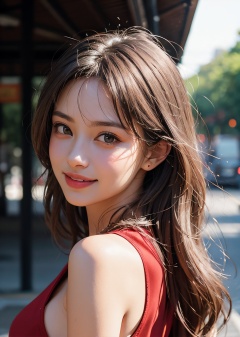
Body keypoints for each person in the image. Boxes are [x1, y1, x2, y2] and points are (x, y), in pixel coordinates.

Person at [10, 27, 231, 337]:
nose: (76, 157)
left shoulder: (99, 258)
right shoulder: (163, 255)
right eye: (63, 128)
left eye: (107, 137)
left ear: (154, 153)